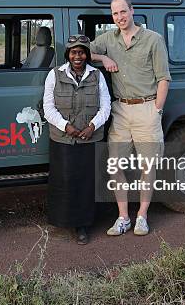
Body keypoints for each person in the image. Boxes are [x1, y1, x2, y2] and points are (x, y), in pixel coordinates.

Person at [91, 0, 171, 236]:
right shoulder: (108, 39)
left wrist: (157, 109)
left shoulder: (153, 39)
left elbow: (163, 78)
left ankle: (142, 216)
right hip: (121, 110)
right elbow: (82, 51)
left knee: (148, 166)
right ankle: (123, 217)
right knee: (115, 163)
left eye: (123, 12)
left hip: (147, 107)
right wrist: (103, 57)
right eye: (115, 14)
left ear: (132, 11)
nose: (120, 18)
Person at [43, 35, 111, 244]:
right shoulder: (54, 75)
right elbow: (48, 107)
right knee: (65, 179)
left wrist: (92, 127)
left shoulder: (97, 75)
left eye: (81, 52)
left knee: (87, 181)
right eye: (74, 52)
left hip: (90, 137)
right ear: (68, 55)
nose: (78, 56)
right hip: (63, 138)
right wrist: (67, 127)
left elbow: (106, 106)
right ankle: (64, 221)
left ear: (87, 55)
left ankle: (83, 225)